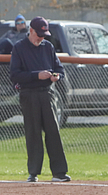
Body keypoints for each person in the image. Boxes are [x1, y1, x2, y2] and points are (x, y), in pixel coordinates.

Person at [10, 16, 70, 183]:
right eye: (39, 34)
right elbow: (15, 75)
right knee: (33, 133)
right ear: (31, 31)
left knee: (53, 132)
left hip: (47, 93)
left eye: (44, 35)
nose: (41, 38)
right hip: (29, 94)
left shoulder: (48, 47)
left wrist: (56, 76)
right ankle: (33, 172)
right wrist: (37, 75)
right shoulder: (19, 48)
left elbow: (59, 69)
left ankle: (59, 173)